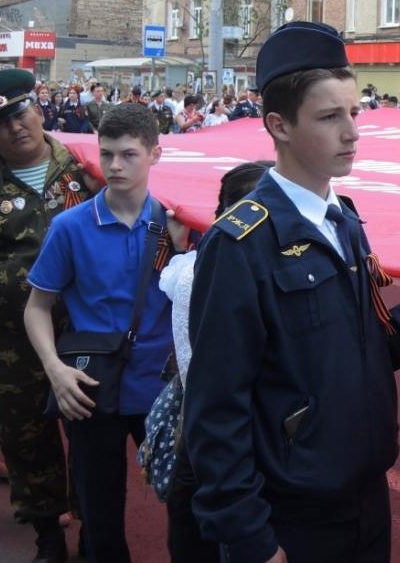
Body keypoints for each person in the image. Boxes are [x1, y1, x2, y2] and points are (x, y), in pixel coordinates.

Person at [183, 21, 400, 563]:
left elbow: (357, 355)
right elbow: (215, 409)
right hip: (292, 516)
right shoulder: (241, 243)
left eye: (354, 113)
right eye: (329, 116)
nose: (352, 132)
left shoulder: (344, 221)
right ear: (279, 125)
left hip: (365, 496)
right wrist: (249, 538)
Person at [24, 103, 186, 563]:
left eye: (129, 154)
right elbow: (37, 307)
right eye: (107, 153)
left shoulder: (179, 224)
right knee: (100, 516)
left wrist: (180, 246)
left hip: (161, 387)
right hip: (89, 388)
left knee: (187, 503)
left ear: (155, 154)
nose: (115, 166)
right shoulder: (70, 226)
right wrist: (54, 370)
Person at [0, 69, 98, 562]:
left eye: (20, 111)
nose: (16, 126)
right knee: (25, 438)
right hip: (10, 339)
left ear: (38, 109)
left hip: (88, 330)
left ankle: (93, 526)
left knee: (91, 433)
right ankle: (47, 537)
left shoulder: (87, 167)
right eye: (0, 121)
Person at [160, 161, 274, 563]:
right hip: (242, 442)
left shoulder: (194, 268)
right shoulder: (213, 274)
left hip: (207, 438)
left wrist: (178, 249)